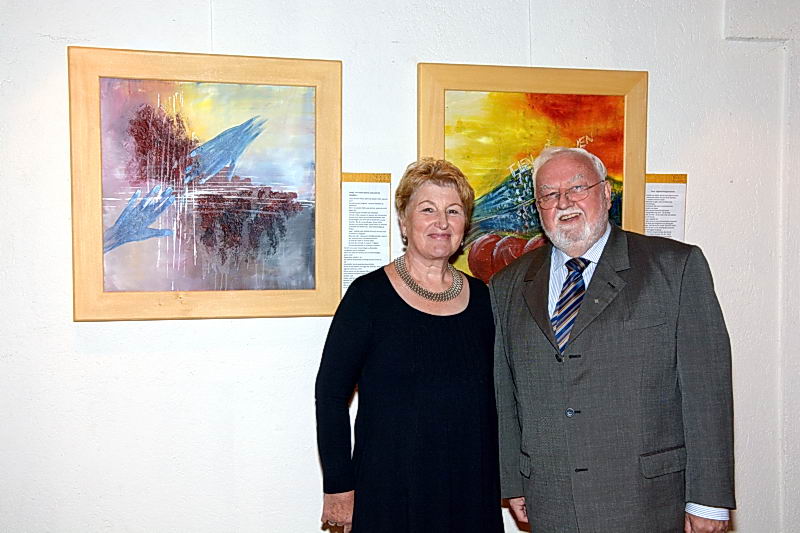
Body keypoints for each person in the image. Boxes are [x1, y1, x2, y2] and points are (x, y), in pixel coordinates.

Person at [490, 147, 735, 533]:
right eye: (549, 194)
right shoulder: (508, 285)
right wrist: (514, 480)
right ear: (539, 208)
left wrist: (709, 500)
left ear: (606, 194)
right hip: (551, 500)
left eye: (577, 187)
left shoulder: (674, 267)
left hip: (648, 501)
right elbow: (506, 394)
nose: (564, 202)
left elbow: (707, 391)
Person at [315, 158, 504, 533]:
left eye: (453, 211)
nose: (442, 222)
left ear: (464, 225)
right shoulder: (368, 297)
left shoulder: (484, 299)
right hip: (391, 491)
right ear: (404, 222)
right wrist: (338, 486)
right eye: (428, 209)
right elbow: (331, 395)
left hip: (470, 488)